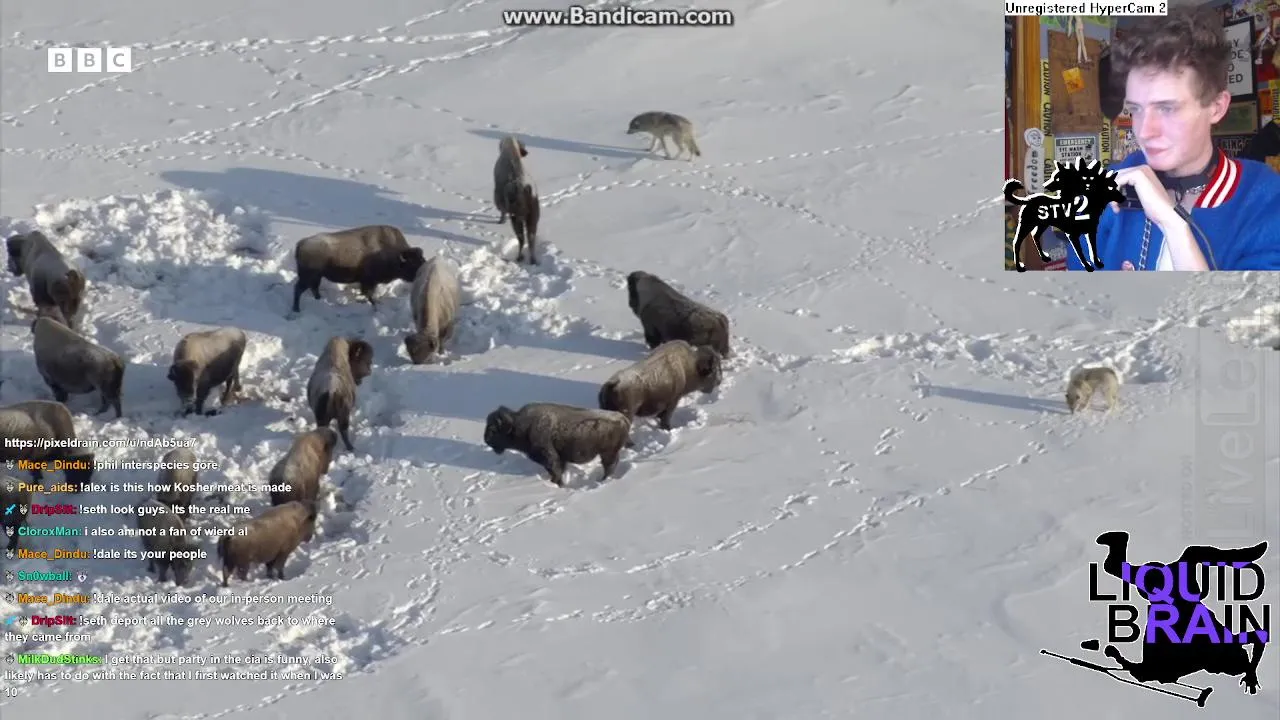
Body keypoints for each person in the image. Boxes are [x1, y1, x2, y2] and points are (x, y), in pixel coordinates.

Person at [1066, 7, 1280, 271]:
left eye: (1166, 109)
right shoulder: (1108, 187)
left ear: (1216, 107)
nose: (1144, 132)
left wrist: (1172, 223)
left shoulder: (1264, 199)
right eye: (1135, 109)